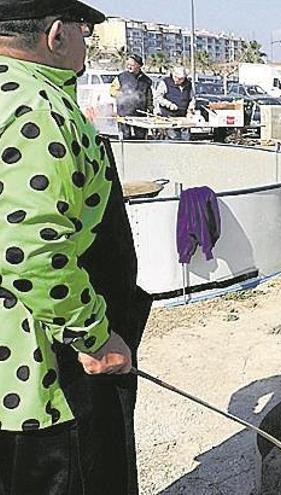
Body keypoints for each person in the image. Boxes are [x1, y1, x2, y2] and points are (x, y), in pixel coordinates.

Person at [0, 1, 152, 494]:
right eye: (85, 31)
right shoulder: (38, 109)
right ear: (57, 34)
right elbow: (29, 252)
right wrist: (95, 338)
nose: (87, 42)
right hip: (44, 375)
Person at [109, 53, 152, 140]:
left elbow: (149, 97)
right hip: (124, 113)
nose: (129, 67)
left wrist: (150, 110)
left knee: (140, 137)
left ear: (138, 66)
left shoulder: (146, 80)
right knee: (125, 136)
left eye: (132, 65)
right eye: (128, 64)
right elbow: (112, 91)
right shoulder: (121, 77)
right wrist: (120, 94)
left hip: (140, 114)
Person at [155, 66, 195, 141]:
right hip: (169, 117)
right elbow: (158, 97)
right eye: (176, 78)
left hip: (183, 117)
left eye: (181, 79)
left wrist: (191, 108)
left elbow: (192, 98)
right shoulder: (165, 82)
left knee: (186, 138)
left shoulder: (188, 84)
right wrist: (169, 104)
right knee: (174, 138)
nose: (178, 80)